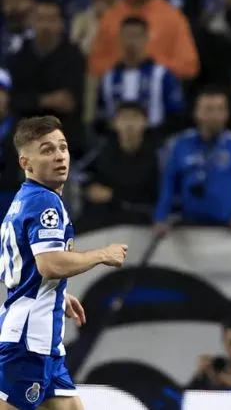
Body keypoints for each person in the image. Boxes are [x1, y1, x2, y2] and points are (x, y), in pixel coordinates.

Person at [0, 115, 128, 410]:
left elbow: (22, 268)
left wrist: (56, 292)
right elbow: (50, 264)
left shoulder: (22, 200)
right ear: (25, 163)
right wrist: (102, 255)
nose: (59, 156)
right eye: (47, 150)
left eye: (63, 147)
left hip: (43, 339)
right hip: (29, 341)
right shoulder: (45, 202)